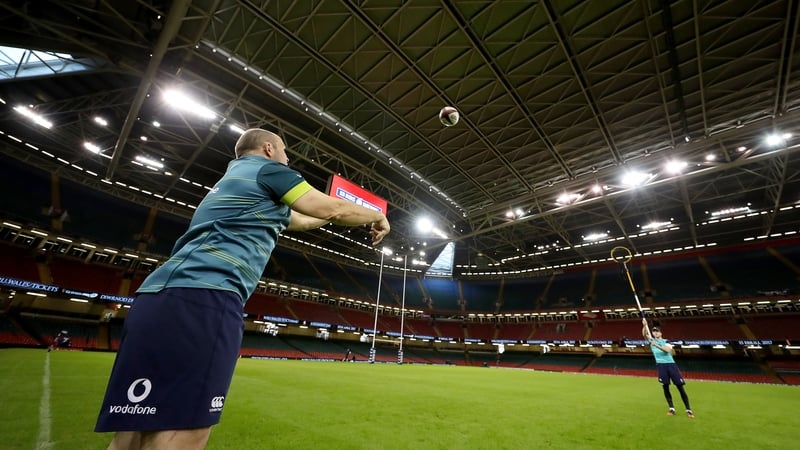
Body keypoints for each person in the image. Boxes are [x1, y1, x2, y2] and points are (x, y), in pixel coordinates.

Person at [95, 128, 390, 449]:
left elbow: (305, 219)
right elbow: (330, 208)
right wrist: (377, 215)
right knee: (185, 430)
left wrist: (337, 212)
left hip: (157, 298)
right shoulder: (271, 171)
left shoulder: (236, 182)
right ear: (268, 148)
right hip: (206, 298)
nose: (288, 158)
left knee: (132, 431)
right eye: (285, 150)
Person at [642, 318, 695, 418]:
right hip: (661, 366)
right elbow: (644, 335)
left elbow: (667, 350)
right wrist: (644, 326)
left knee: (680, 387)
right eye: (653, 331)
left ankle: (688, 409)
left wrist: (656, 345)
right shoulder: (651, 341)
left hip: (671, 365)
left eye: (657, 331)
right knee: (665, 387)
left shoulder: (667, 341)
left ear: (661, 333)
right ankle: (671, 408)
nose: (655, 333)